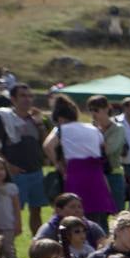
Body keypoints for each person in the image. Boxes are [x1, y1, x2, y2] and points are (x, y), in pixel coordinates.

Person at [0, 83, 46, 237]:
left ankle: (38, 244)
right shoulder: (3, 118)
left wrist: (40, 124)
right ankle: (6, 247)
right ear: (13, 98)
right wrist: (7, 166)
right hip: (15, 174)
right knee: (11, 213)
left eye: (30, 96)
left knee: (36, 210)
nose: (27, 99)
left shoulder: (36, 119)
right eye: (23, 96)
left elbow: (45, 143)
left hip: (36, 172)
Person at [43, 95, 113, 230]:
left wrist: (59, 165)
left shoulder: (61, 129)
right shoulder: (93, 128)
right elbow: (104, 148)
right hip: (96, 174)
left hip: (76, 173)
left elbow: (48, 146)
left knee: (73, 214)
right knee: (97, 216)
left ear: (60, 118)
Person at [88, 95, 127, 213]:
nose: (93, 113)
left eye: (96, 109)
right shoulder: (90, 128)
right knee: (99, 214)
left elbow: (109, 150)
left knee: (118, 214)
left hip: (113, 175)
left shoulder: (118, 128)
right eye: (91, 110)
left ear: (106, 108)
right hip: (95, 175)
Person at [34, 192, 108, 245]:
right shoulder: (50, 229)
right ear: (59, 210)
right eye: (72, 207)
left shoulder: (91, 227)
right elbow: (37, 249)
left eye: (80, 207)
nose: (78, 210)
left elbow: (103, 244)